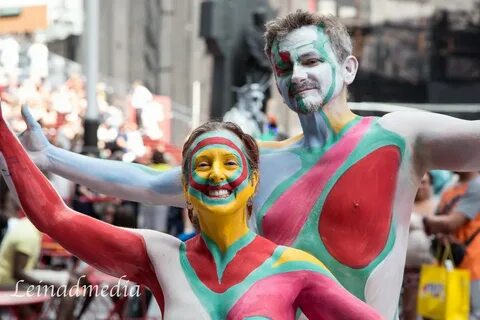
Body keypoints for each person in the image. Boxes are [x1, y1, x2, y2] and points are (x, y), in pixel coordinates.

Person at [16, 10, 480, 318]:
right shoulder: (259, 162)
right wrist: (50, 156)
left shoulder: (400, 136)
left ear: (350, 69)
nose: (296, 76)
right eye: (283, 67)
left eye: (311, 60)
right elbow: (152, 182)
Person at [0, 113, 381, 319]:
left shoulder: (295, 269)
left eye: (230, 163)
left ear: (252, 182)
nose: (217, 174)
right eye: (203, 165)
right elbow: (55, 217)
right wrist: (10, 148)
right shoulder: (160, 256)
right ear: (186, 186)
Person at [423, 172, 480, 319]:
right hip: (445, 262)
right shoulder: (450, 188)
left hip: (472, 265)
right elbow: (438, 222)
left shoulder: (477, 186)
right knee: (440, 313)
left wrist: (423, 219)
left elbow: (450, 223)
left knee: (469, 314)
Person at [401, 173, 436, 320]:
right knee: (410, 309)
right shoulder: (404, 206)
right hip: (408, 271)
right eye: (419, 182)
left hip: (433, 269)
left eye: (425, 183)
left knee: (433, 307)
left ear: (430, 186)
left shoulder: (437, 204)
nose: (421, 186)